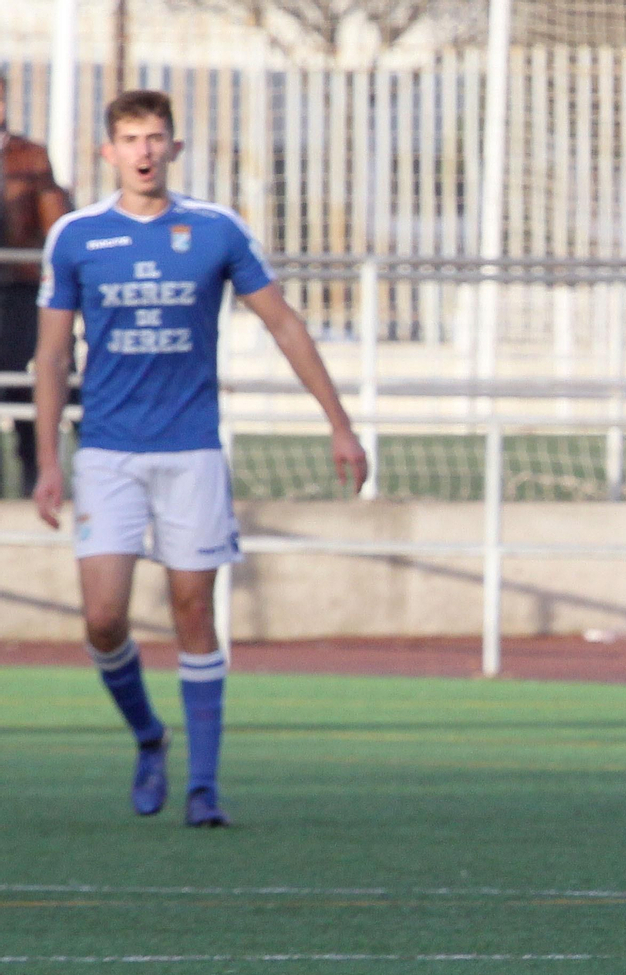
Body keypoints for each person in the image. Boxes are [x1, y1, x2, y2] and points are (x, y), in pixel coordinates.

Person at [31, 89, 367, 827]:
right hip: (109, 453)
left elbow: (283, 323)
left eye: (156, 138)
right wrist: (48, 459)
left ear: (174, 148)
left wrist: (339, 423)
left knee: (192, 611)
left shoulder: (213, 229)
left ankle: (204, 786)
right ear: (107, 152)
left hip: (191, 452)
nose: (144, 152)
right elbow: (52, 358)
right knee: (103, 621)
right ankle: (150, 736)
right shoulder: (78, 237)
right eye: (130, 138)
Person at [0, 76, 71, 497]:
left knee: (24, 380)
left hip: (20, 292)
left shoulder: (30, 156)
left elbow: (54, 223)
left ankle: (34, 475)